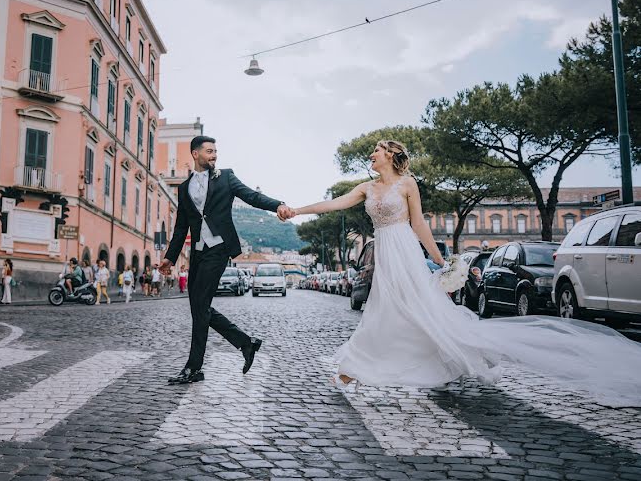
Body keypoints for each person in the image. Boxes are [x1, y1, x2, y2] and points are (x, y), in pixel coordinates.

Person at [287, 140, 641, 407]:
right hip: (386, 254)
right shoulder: (367, 188)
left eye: (376, 152)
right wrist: (298, 209)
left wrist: (440, 260)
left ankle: (426, 356)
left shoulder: (407, 184)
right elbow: (333, 203)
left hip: (404, 251)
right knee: (385, 308)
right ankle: (357, 367)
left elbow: (420, 224)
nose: (371, 156)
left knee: (414, 308)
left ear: (391, 156)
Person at [160, 135, 292, 385]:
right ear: (195, 154)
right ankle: (245, 343)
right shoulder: (183, 188)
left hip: (219, 249)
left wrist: (278, 205)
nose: (214, 155)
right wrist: (170, 258)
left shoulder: (226, 177)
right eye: (209, 151)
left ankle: (194, 367)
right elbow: (180, 227)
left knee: (200, 306)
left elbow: (251, 196)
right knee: (199, 309)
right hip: (198, 252)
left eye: (216, 151)